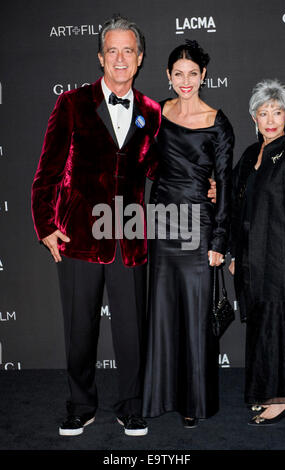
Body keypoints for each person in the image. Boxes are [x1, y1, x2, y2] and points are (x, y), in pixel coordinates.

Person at [31, 15, 162, 437]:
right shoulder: (71, 103)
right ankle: (81, 405)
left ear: (139, 59)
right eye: (112, 50)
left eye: (128, 50)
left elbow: (161, 171)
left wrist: (205, 185)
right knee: (79, 330)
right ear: (100, 57)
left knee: (132, 333)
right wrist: (45, 226)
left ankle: (132, 406)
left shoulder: (151, 111)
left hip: (130, 239)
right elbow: (47, 172)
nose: (120, 58)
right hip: (79, 239)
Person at [143, 40, 234, 427]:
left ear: (203, 76)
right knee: (163, 312)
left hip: (199, 225)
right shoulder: (157, 113)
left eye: (192, 74)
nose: (185, 81)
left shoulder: (218, 122)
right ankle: (159, 396)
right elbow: (140, 161)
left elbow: (227, 186)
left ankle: (193, 402)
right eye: (178, 74)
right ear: (168, 76)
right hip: (162, 221)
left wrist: (219, 241)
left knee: (196, 317)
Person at [229, 79, 285, 425]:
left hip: (281, 258)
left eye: (277, 112)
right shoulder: (249, 155)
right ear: (254, 117)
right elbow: (238, 208)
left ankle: (281, 398)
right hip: (251, 259)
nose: (270, 119)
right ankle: (263, 391)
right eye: (263, 112)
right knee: (259, 326)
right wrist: (234, 254)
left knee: (278, 328)